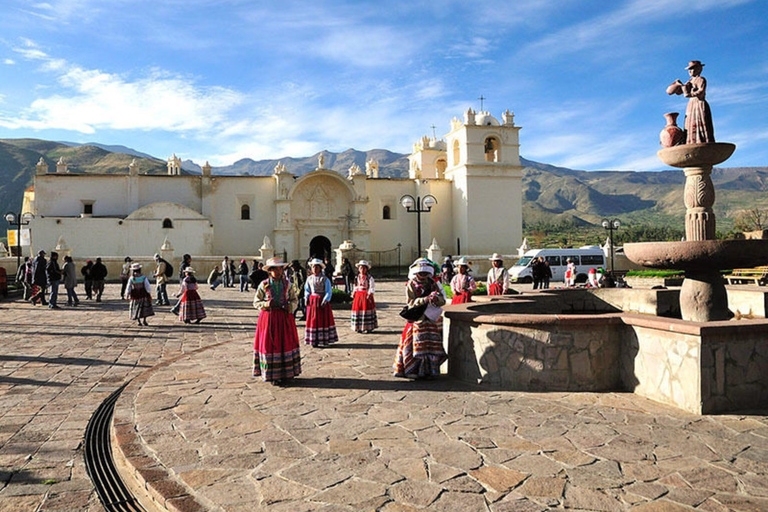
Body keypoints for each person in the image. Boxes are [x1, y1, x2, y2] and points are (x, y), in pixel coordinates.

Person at [394, 258, 447, 379]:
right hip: (419, 319)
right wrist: (424, 299)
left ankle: (430, 370)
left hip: (431, 320)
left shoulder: (432, 283)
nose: (423, 275)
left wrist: (435, 299)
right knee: (417, 345)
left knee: (431, 345)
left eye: (425, 273)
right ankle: (415, 370)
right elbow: (410, 302)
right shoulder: (412, 285)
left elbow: (442, 300)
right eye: (421, 273)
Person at [252, 257, 301, 386]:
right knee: (270, 345)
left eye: (280, 269)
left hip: (285, 318)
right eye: (275, 269)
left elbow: (294, 300)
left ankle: (287, 373)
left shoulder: (288, 284)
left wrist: (289, 307)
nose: (278, 272)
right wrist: (267, 304)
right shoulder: (264, 285)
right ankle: (273, 374)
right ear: (270, 271)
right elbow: (256, 302)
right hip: (269, 319)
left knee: (286, 344)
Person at [669, 60, 714, 145]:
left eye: (692, 69)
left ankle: (702, 141)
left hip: (699, 104)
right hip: (691, 105)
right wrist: (678, 85)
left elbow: (701, 91)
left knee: (700, 122)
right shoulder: (689, 81)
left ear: (698, 69)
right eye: (689, 69)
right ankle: (691, 141)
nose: (690, 71)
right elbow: (672, 92)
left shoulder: (701, 79)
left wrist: (689, 94)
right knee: (690, 124)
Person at [304, 258, 338, 348]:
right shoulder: (309, 279)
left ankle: (324, 339)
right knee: (313, 320)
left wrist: (325, 300)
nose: (314, 269)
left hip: (321, 302)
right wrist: (306, 297)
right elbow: (307, 289)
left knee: (323, 320)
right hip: (312, 302)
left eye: (316, 267)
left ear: (320, 268)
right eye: (313, 267)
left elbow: (328, 291)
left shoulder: (325, 279)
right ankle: (313, 339)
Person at [350, 260, 378, 333]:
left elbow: (372, 287)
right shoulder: (357, 277)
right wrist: (354, 292)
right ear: (358, 269)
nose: (362, 270)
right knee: (358, 310)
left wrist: (369, 293)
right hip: (358, 296)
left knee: (366, 310)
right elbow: (355, 286)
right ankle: (358, 326)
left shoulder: (369, 278)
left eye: (364, 268)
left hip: (366, 295)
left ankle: (368, 327)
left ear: (366, 269)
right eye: (361, 268)